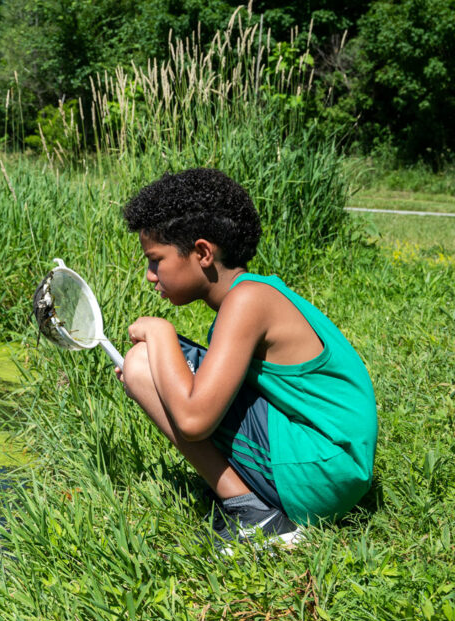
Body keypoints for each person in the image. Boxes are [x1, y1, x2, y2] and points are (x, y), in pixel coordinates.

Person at [117, 168, 377, 552]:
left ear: (203, 253)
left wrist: (161, 334)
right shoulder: (255, 294)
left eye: (156, 261)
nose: (150, 276)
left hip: (323, 470)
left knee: (144, 362)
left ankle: (256, 517)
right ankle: (254, 502)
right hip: (333, 464)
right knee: (155, 367)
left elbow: (193, 420)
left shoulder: (246, 302)